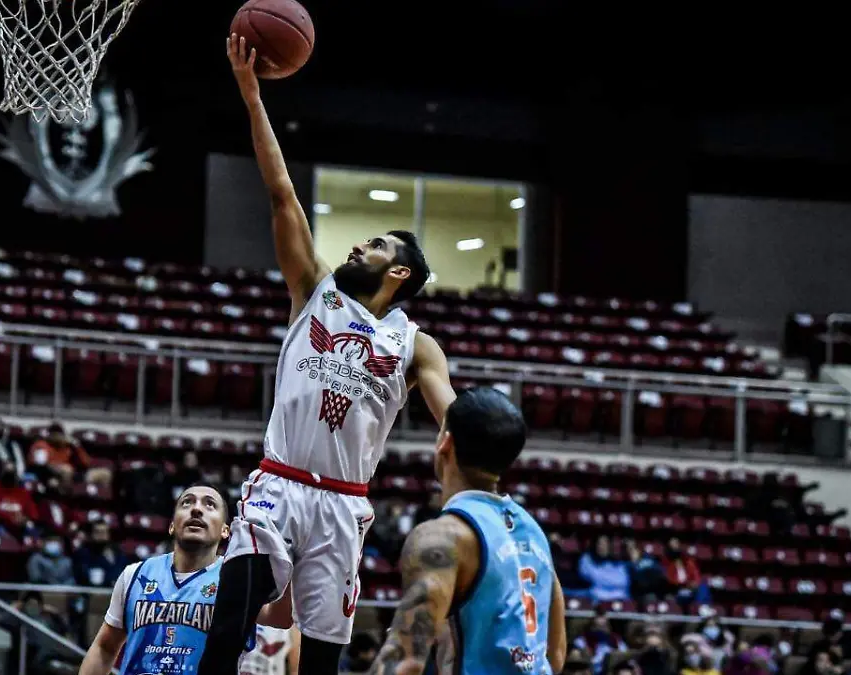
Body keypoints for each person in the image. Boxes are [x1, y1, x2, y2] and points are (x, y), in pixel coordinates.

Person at [198, 35, 456, 675]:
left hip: (344, 502)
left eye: (373, 244)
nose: (356, 247)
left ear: (397, 271)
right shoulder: (314, 290)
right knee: (232, 615)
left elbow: (454, 415)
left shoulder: (416, 343)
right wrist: (252, 96)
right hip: (278, 484)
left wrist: (468, 462)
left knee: (322, 656)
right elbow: (282, 191)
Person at [367, 387, 565, 674]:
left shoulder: (441, 538)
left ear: (444, 443)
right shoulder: (533, 532)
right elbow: (554, 655)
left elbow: (405, 662)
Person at [77, 484, 291, 675]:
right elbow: (104, 648)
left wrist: (294, 560)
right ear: (171, 525)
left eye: (210, 505)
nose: (196, 509)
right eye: (187, 503)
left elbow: (280, 618)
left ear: (226, 530)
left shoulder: (238, 580)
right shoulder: (135, 575)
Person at [580, 535, 633, 602]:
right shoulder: (587, 559)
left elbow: (622, 581)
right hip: (596, 600)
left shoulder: (622, 564)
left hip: (621, 601)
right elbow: (591, 577)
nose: (601, 547)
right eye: (599, 544)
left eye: (605, 544)